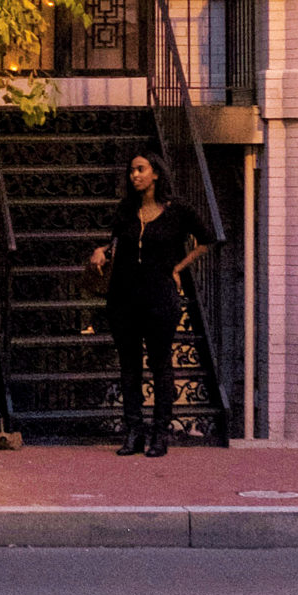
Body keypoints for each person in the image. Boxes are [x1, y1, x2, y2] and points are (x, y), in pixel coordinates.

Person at [91, 150, 210, 457]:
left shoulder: (177, 210)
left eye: (141, 169)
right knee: (129, 367)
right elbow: (115, 240)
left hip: (160, 297)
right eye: (132, 171)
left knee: (160, 365)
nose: (135, 175)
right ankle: (133, 432)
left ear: (156, 173)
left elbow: (208, 239)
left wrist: (178, 268)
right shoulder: (126, 209)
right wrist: (101, 250)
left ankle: (160, 433)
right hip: (124, 298)